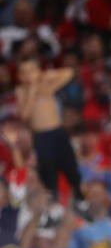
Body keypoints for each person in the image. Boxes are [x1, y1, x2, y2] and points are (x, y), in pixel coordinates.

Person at [14, 58, 82, 199]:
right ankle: (54, 205)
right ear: (19, 76)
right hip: (41, 136)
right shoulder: (20, 91)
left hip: (58, 132)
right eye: (24, 72)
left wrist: (50, 75)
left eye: (31, 71)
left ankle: (80, 198)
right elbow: (25, 115)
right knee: (48, 172)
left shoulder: (46, 85)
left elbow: (69, 73)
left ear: (38, 71)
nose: (28, 75)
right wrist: (32, 91)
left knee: (71, 168)